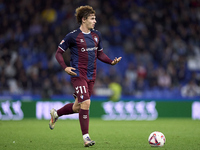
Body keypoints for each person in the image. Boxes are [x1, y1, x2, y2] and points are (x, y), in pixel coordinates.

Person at [49, 5, 122, 147]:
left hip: (91, 75)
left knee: (78, 107)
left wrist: (111, 62)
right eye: (92, 18)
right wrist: (65, 67)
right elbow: (58, 53)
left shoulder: (96, 35)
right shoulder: (72, 36)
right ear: (84, 20)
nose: (95, 21)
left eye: (95, 18)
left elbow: (99, 53)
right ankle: (86, 138)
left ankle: (56, 114)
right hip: (78, 74)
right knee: (87, 103)